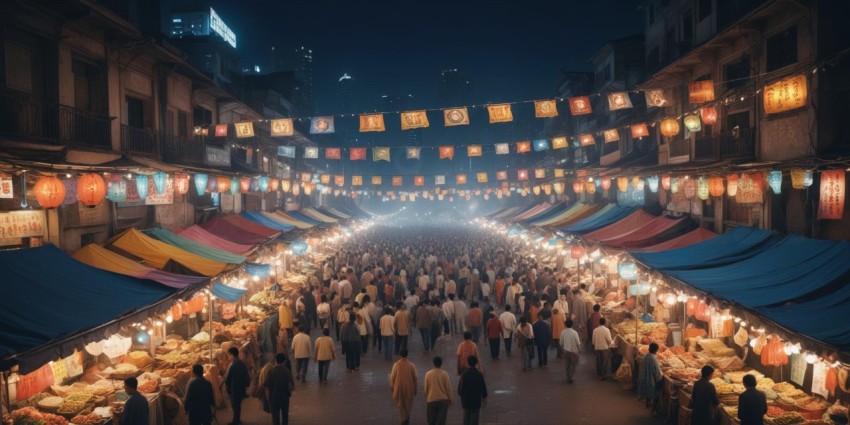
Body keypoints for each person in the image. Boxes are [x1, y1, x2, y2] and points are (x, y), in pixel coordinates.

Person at [390, 349, 418, 425]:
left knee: (401, 405)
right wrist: (415, 389)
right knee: (408, 404)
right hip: (409, 388)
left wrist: (392, 388)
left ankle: (403, 419)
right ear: (407, 354)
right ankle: (407, 418)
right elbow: (415, 378)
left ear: (400, 355)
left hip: (398, 388)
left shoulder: (396, 365)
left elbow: (392, 378)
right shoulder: (411, 365)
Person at [265, 353, 295, 425]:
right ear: (284, 361)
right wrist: (289, 392)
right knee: (285, 416)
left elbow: (267, 385)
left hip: (273, 398)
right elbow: (290, 386)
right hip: (284, 398)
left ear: (275, 360)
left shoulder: (270, 371)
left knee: (275, 417)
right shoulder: (287, 371)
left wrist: (268, 397)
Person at [457, 356, 487, 425]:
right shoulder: (479, 374)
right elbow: (483, 387)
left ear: (468, 363)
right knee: (475, 418)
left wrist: (460, 394)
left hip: (466, 399)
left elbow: (460, 388)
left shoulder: (464, 374)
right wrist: (484, 397)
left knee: (466, 418)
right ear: (476, 363)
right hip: (476, 399)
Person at [224, 347, 249, 425]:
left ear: (232, 355)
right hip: (241, 388)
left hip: (234, 389)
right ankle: (237, 420)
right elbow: (246, 375)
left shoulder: (233, 365)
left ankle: (236, 421)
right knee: (237, 405)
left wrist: (226, 385)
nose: (228, 357)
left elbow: (228, 378)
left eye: (229, 355)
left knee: (235, 405)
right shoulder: (241, 363)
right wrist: (246, 385)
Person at [424, 356, 452, 425]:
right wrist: (450, 399)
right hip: (443, 400)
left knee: (431, 421)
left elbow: (426, 389)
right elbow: (448, 388)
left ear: (434, 364)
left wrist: (428, 397)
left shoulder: (428, 374)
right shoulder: (445, 374)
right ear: (441, 364)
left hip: (431, 400)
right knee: (441, 422)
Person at [637, 342, 664, 413]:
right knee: (656, 393)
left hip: (645, 378)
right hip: (651, 380)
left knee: (648, 392)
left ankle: (647, 404)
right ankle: (653, 409)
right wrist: (660, 379)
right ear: (656, 350)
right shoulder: (654, 359)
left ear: (649, 349)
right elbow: (657, 373)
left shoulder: (646, 357)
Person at [559, 319, 581, 383]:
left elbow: (561, 343)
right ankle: (570, 377)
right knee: (573, 366)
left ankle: (568, 376)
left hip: (566, 351)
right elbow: (578, 343)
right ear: (572, 325)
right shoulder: (575, 333)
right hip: (574, 352)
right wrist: (579, 350)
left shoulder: (563, 332)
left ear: (565, 325)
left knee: (567, 365)